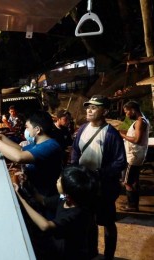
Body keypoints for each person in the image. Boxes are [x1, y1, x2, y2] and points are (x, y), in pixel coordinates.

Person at [71, 95, 126, 260]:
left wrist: (100, 173)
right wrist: (74, 165)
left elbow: (121, 162)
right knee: (89, 220)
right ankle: (92, 252)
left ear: (105, 111)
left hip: (103, 187)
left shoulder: (111, 134)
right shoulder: (82, 129)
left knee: (108, 222)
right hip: (85, 185)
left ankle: (109, 256)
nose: (89, 110)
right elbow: (75, 149)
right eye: (88, 106)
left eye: (94, 107)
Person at [14, 165, 98, 260]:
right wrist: (26, 183)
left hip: (72, 254)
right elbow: (43, 201)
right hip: (62, 246)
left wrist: (21, 200)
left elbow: (45, 226)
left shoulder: (78, 214)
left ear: (68, 193)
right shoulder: (65, 198)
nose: (57, 180)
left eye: (60, 180)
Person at [0, 110, 63, 198]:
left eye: (27, 127)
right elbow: (20, 149)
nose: (26, 130)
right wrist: (1, 137)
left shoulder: (50, 146)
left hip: (44, 197)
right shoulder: (38, 142)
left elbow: (19, 157)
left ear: (37, 130)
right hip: (34, 191)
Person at [119, 101, 149, 212]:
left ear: (132, 110)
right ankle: (134, 204)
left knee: (127, 182)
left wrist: (122, 135)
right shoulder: (139, 120)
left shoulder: (140, 122)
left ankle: (131, 205)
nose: (126, 114)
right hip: (136, 155)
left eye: (127, 111)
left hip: (134, 156)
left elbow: (137, 139)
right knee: (134, 180)